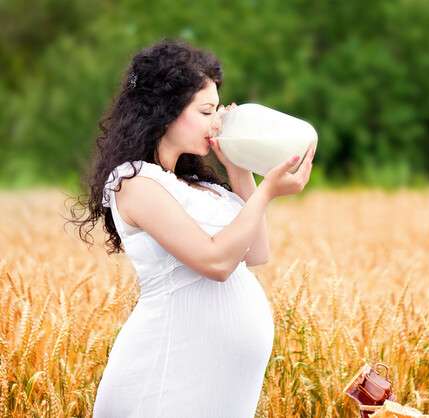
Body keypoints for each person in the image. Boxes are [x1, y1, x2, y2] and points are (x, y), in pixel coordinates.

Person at [70, 38, 315, 417]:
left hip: (216, 386)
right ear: (166, 112)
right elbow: (216, 263)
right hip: (168, 377)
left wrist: (239, 167)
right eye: (205, 111)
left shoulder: (197, 185)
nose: (216, 121)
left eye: (218, 110)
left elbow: (255, 253)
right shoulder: (134, 183)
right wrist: (268, 193)